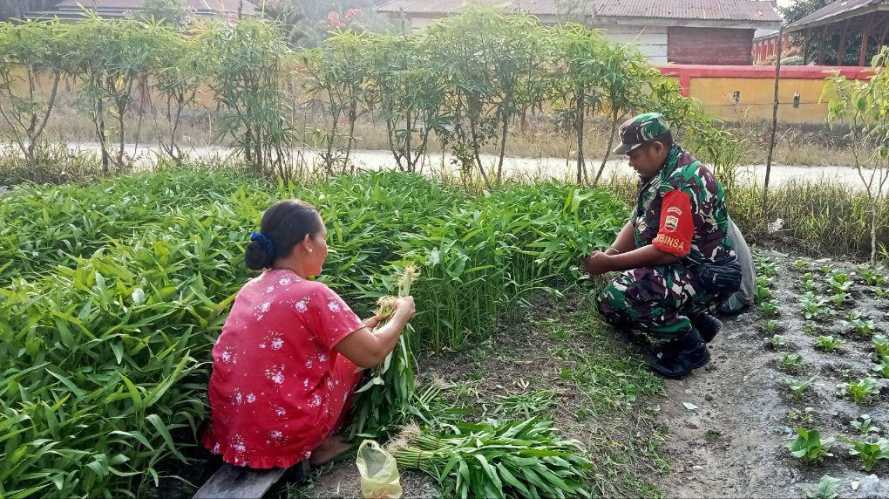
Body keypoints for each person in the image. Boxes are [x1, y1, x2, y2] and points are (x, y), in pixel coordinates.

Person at [202, 199, 416, 469]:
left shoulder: (251, 288)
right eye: (324, 238)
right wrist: (401, 315)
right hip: (283, 433)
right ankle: (317, 445)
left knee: (335, 354)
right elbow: (371, 353)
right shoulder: (313, 294)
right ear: (307, 242)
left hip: (234, 430)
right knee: (349, 362)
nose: (327, 247)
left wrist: (368, 324)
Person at [583, 112, 740, 379]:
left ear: (657, 148)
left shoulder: (681, 182)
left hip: (706, 273)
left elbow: (667, 251)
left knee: (619, 295)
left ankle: (689, 346)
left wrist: (609, 264)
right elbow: (637, 221)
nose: (630, 162)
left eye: (634, 155)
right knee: (612, 301)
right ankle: (698, 321)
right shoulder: (660, 172)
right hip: (687, 266)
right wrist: (612, 253)